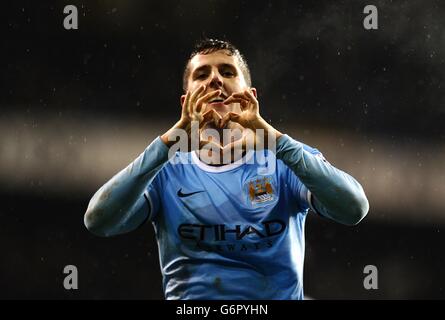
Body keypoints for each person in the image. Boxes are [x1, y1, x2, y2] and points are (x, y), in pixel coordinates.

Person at [84, 38, 369, 300]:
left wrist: (274, 139)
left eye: (228, 72)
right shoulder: (166, 169)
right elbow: (98, 221)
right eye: (202, 74)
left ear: (250, 94)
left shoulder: (284, 160)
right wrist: (171, 140)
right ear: (186, 101)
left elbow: (354, 208)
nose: (215, 80)